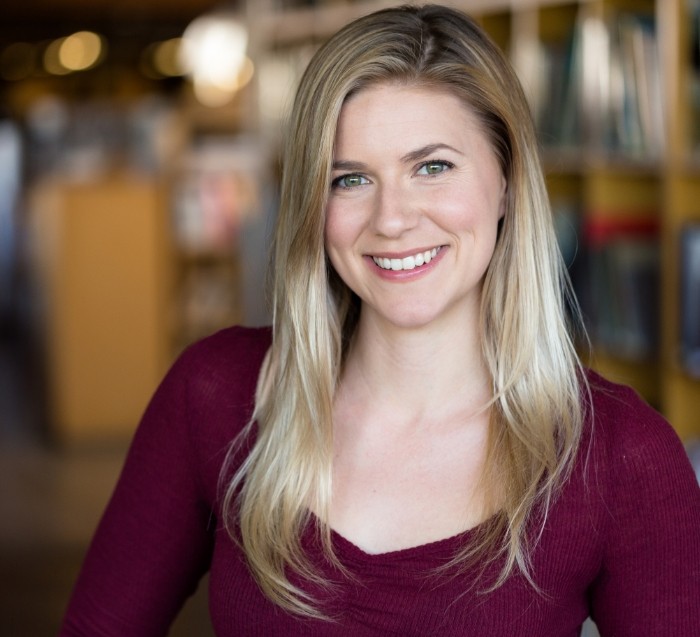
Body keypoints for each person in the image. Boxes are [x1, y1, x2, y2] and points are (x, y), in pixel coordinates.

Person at [60, 5, 700, 636]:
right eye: (350, 179)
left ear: (506, 181)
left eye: (433, 167)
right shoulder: (215, 395)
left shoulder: (622, 456)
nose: (392, 219)